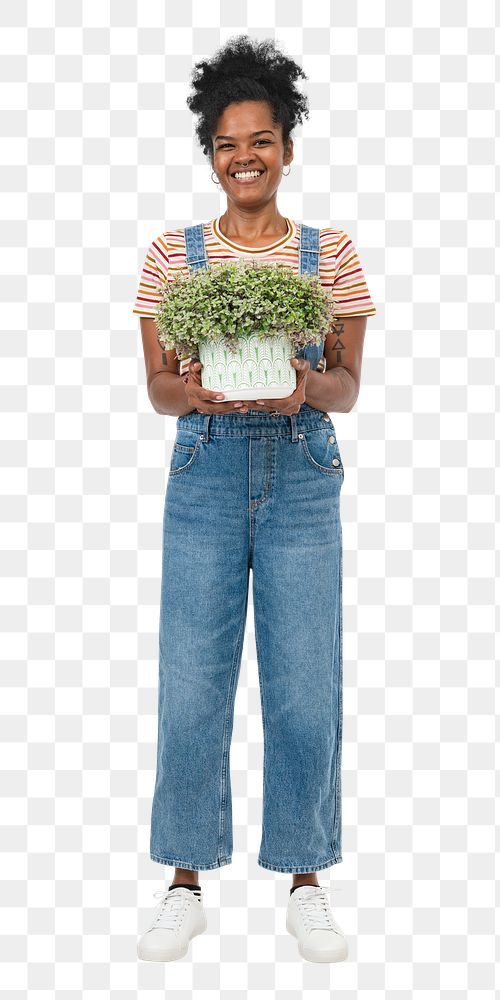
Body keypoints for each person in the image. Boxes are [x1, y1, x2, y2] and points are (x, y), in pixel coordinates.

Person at [132, 34, 376, 964]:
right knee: (193, 686)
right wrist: (194, 390)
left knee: (305, 688)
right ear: (210, 153)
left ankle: (305, 877)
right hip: (203, 469)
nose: (246, 157)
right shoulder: (172, 257)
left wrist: (303, 388)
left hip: (302, 472)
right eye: (230, 143)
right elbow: (156, 387)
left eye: (263, 140)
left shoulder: (331, 257)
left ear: (287, 146)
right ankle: (185, 879)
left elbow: (348, 385)